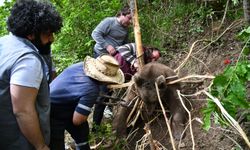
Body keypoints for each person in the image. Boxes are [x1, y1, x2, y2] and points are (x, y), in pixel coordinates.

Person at [0, 0, 63, 150]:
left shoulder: (4, 43)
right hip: (18, 141)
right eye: (47, 33)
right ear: (30, 33)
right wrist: (40, 146)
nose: (52, 39)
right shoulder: (28, 60)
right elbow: (23, 111)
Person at [49, 55, 125, 150]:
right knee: (57, 143)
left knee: (82, 132)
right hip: (52, 110)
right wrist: (87, 106)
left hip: (58, 100)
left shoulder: (80, 65)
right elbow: (77, 120)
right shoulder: (91, 89)